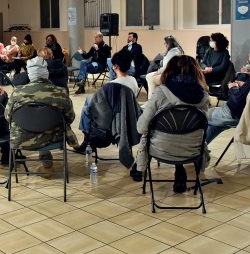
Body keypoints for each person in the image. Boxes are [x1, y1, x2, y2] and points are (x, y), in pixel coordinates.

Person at [137, 55, 210, 193]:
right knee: (183, 133)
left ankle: (138, 167)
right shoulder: (204, 96)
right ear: (196, 72)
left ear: (169, 70)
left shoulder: (161, 93)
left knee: (150, 133)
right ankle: (179, 169)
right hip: (192, 149)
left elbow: (141, 127)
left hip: (161, 148)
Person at [5, 57, 78, 171]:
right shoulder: (60, 93)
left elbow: (7, 117)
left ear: (30, 74)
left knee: (36, 124)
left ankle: (46, 163)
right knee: (44, 125)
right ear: (46, 73)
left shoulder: (17, 94)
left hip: (22, 139)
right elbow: (70, 117)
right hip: (53, 138)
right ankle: (47, 164)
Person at [77, 50, 139, 152]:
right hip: (128, 119)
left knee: (86, 107)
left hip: (110, 123)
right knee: (89, 100)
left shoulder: (111, 86)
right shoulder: (133, 80)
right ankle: (87, 140)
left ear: (115, 66)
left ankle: (87, 139)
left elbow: (100, 108)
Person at [205, 78, 250, 144]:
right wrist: (245, 86)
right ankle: (198, 150)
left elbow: (237, 101)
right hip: (242, 116)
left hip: (235, 113)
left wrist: (233, 87)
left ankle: (194, 150)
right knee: (214, 125)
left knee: (197, 115)